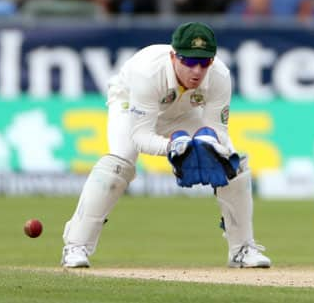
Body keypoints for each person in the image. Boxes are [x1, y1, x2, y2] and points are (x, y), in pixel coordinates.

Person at [61, 22, 271, 269]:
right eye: (189, 61)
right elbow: (141, 136)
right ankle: (76, 246)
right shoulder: (148, 73)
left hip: (182, 112)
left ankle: (242, 249)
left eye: (204, 62)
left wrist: (210, 144)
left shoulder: (220, 76)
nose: (197, 70)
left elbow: (218, 131)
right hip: (130, 104)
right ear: (174, 56)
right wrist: (174, 146)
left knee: (232, 162)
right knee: (120, 163)